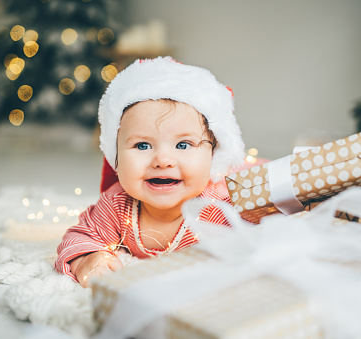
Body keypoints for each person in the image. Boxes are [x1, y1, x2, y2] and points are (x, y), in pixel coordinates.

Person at [55, 56, 245, 287]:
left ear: (214, 155)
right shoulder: (117, 205)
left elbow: (274, 231)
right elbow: (81, 236)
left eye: (183, 145)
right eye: (142, 145)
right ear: (116, 155)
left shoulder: (221, 207)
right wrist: (87, 259)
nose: (163, 161)